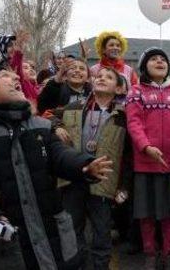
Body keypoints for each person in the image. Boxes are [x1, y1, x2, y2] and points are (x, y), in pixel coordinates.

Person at [0, 64, 112, 270]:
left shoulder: (40, 126)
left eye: (14, 75)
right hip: (8, 242)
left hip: (52, 231)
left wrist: (83, 165)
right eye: (5, 76)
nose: (15, 79)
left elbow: (59, 154)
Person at [56, 67, 130, 270]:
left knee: (101, 231)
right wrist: (56, 125)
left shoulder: (123, 116)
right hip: (74, 178)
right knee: (73, 230)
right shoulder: (74, 107)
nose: (102, 79)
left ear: (118, 88)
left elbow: (128, 156)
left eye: (109, 77)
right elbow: (45, 115)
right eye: (99, 76)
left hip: (104, 182)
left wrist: (123, 186)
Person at [126, 48, 170, 269]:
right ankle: (150, 253)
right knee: (146, 212)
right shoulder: (136, 92)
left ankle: (168, 253)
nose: (159, 61)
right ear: (144, 66)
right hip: (145, 163)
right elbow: (134, 123)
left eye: (163, 59)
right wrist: (145, 146)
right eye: (153, 59)